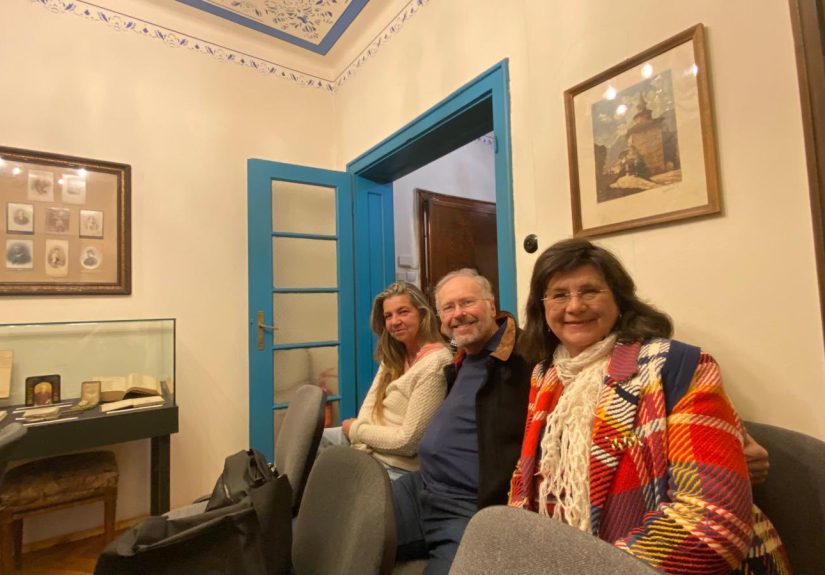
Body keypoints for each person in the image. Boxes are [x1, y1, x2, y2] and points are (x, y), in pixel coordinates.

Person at [508, 238, 790, 574]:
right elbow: (525, 477)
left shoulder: (676, 367)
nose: (575, 306)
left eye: (590, 291)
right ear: (542, 309)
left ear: (619, 300)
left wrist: (596, 568)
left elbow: (712, 522)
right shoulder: (546, 375)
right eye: (559, 295)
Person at [392, 269, 533, 574]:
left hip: (467, 506)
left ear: (491, 306)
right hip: (419, 487)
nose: (458, 314)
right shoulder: (460, 355)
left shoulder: (525, 356)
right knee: (334, 533)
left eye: (467, 302)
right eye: (448, 307)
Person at [321, 281, 452, 479]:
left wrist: (355, 430)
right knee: (310, 439)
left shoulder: (435, 363)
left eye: (403, 312)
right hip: (368, 446)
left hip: (396, 465)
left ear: (422, 314)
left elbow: (408, 442)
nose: (394, 321)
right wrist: (360, 440)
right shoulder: (394, 355)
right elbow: (370, 406)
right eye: (388, 316)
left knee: (332, 480)